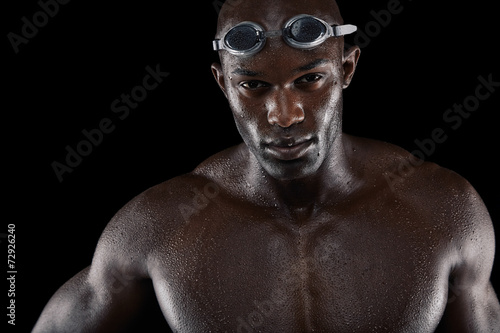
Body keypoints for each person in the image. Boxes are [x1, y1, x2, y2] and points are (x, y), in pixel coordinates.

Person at [33, 0, 500, 332]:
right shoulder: (159, 225)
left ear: (348, 69)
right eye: (253, 85)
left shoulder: (441, 210)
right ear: (222, 84)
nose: (283, 116)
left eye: (310, 79)